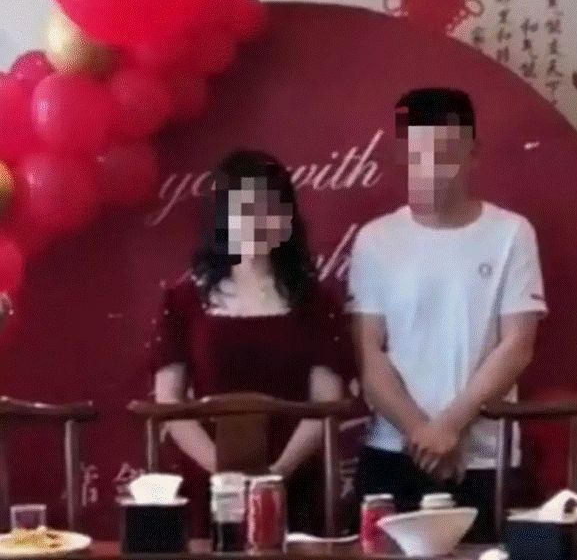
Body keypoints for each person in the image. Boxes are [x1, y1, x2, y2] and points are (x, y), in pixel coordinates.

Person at [349, 88, 547, 542]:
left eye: (446, 154)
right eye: (418, 154)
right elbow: (368, 352)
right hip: (394, 450)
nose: (432, 169)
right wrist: (421, 431)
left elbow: (517, 345)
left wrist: (449, 426)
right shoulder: (375, 240)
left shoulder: (511, 233)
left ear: (473, 153)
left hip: (484, 456)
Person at [151, 149, 351, 535]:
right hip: (210, 486)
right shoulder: (183, 300)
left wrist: (275, 475)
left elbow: (325, 404)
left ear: (287, 219)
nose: (256, 222)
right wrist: (223, 473)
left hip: (297, 483)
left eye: (268, 208)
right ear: (221, 219)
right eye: (243, 209)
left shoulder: (316, 301)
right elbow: (169, 403)